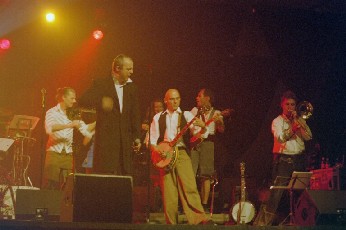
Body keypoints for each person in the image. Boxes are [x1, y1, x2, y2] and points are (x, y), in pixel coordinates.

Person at [150, 89, 211, 225]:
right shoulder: (158, 117)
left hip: (181, 152)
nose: (175, 101)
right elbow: (152, 141)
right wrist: (159, 151)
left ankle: (199, 220)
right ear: (166, 101)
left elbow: (196, 135)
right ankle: (171, 224)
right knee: (169, 192)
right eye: (172, 99)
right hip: (165, 155)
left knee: (189, 186)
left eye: (177, 98)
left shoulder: (187, 115)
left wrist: (203, 128)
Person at [254, 90, 312, 226]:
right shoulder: (277, 121)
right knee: (276, 194)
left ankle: (300, 222)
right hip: (284, 161)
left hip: (299, 160)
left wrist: (300, 124)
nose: (290, 107)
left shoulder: (299, 119)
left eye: (293, 104)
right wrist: (293, 128)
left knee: (301, 194)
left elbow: (309, 137)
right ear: (282, 105)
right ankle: (263, 224)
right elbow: (280, 139)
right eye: (287, 104)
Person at [79, 54, 141, 175]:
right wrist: (101, 101)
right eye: (128, 69)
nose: (132, 72)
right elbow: (83, 100)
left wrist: (137, 136)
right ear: (118, 68)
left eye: (132, 68)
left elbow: (135, 114)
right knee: (106, 179)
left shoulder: (132, 87)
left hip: (125, 146)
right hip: (107, 145)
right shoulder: (101, 83)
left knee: (123, 181)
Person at [43, 87, 95, 190]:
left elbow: (85, 130)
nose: (74, 101)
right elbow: (49, 128)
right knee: (51, 186)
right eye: (72, 98)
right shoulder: (52, 112)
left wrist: (98, 121)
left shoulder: (73, 113)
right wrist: (70, 125)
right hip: (54, 153)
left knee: (68, 186)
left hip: (68, 155)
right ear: (63, 97)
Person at [190, 88, 225, 213]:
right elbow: (189, 126)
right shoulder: (194, 111)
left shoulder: (216, 113)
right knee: (191, 174)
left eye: (200, 96)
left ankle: (204, 204)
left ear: (207, 98)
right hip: (194, 143)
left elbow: (221, 130)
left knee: (206, 175)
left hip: (208, 143)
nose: (197, 98)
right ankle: (191, 203)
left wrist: (220, 122)